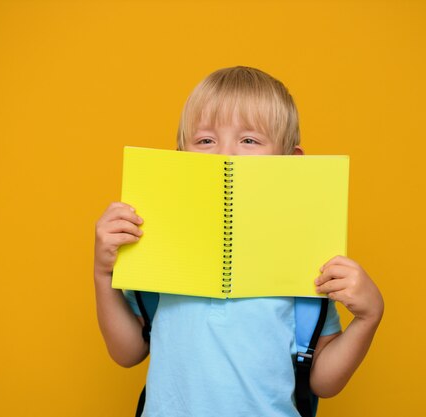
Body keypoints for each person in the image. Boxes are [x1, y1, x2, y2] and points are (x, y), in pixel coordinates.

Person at [94, 66, 384, 417]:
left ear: (291, 164)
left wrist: (368, 317)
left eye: (249, 140)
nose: (224, 154)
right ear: (180, 157)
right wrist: (103, 275)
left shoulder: (303, 254)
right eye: (205, 141)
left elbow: (323, 381)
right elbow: (127, 353)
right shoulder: (162, 244)